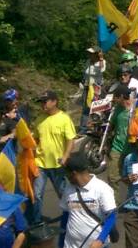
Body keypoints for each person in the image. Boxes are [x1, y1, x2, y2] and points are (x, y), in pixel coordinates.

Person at [28, 90, 76, 225]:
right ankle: (36, 222)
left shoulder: (64, 118)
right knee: (37, 194)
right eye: (41, 102)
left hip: (58, 165)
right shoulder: (40, 119)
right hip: (40, 163)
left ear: (54, 101)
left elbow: (70, 140)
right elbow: (35, 139)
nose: (42, 105)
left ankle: (71, 218)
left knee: (63, 194)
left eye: (45, 101)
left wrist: (65, 156)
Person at [59, 152, 116, 248]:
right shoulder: (68, 189)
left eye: (66, 173)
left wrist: (100, 241)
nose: (66, 176)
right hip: (70, 245)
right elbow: (65, 216)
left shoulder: (102, 188)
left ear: (73, 173)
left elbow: (111, 217)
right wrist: (60, 244)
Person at [103, 85, 133, 186]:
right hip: (117, 148)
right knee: (112, 178)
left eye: (115, 97)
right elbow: (110, 125)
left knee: (133, 180)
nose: (113, 100)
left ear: (121, 96)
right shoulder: (116, 109)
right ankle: (114, 201)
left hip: (133, 150)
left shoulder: (136, 108)